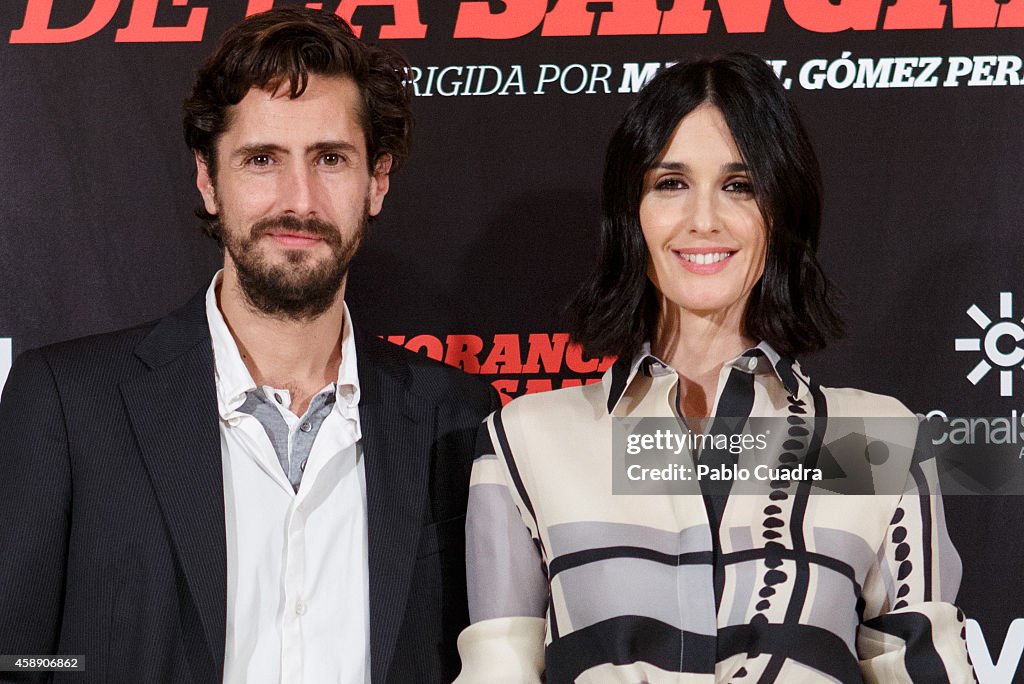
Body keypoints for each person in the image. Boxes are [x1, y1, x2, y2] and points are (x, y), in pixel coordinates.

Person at [0, 8, 496, 684]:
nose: (299, 199)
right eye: (261, 160)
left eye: (330, 159)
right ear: (209, 179)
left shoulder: (458, 416)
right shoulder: (67, 400)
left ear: (376, 181)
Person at [455, 54, 973, 683]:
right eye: (670, 183)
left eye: (740, 185)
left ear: (781, 213)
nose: (704, 219)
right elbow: (497, 672)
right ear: (632, 214)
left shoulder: (876, 437)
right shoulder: (528, 440)